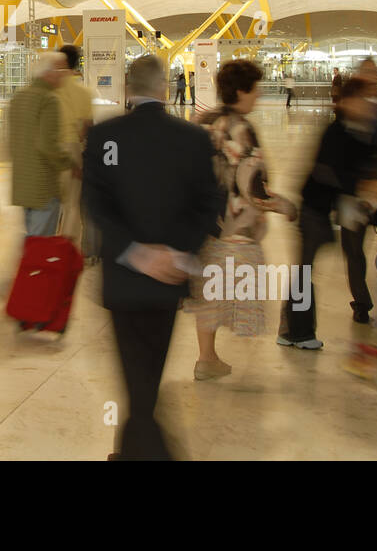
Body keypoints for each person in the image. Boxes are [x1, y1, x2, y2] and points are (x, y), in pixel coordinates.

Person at [81, 55, 220, 459]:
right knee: (150, 371)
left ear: (128, 88)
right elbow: (209, 204)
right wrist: (178, 253)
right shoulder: (192, 139)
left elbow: (95, 204)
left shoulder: (105, 137)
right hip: (170, 281)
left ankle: (138, 450)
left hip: (123, 280)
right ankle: (144, 450)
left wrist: (136, 252)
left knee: (134, 373)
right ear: (164, 90)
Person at [191, 60, 297, 379]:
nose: (259, 94)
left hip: (204, 224)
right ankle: (248, 366)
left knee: (208, 292)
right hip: (236, 227)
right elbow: (253, 188)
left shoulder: (201, 121)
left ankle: (206, 358)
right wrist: (285, 206)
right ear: (241, 91)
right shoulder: (241, 128)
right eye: (255, 88)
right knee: (243, 296)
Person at [281, 77, 377, 347]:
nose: (368, 105)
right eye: (362, 100)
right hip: (314, 208)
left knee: (306, 268)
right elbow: (326, 171)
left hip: (332, 208)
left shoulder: (361, 132)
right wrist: (359, 186)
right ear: (346, 103)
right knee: (303, 270)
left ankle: (290, 329)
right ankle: (297, 332)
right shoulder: (336, 132)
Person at [7, 52, 75, 237]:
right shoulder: (49, 99)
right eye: (61, 69)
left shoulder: (18, 98)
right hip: (43, 187)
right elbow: (47, 145)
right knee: (41, 248)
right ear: (49, 73)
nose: (64, 74)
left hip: (22, 185)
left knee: (32, 241)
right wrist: (69, 163)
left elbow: (10, 144)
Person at [55, 45, 95, 252]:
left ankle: (48, 244)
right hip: (72, 148)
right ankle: (67, 249)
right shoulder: (83, 92)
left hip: (50, 148)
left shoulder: (51, 89)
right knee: (72, 202)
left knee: (51, 202)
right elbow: (87, 126)